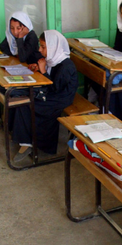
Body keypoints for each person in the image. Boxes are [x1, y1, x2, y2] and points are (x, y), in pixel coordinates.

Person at [12, 30, 78, 161]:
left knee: (27, 104)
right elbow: (51, 82)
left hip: (61, 98)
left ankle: (31, 143)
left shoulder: (66, 66)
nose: (39, 50)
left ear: (53, 47)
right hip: (54, 93)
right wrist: (39, 69)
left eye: (43, 46)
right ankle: (25, 139)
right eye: (40, 46)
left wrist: (43, 71)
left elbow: (54, 88)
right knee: (19, 97)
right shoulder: (54, 59)